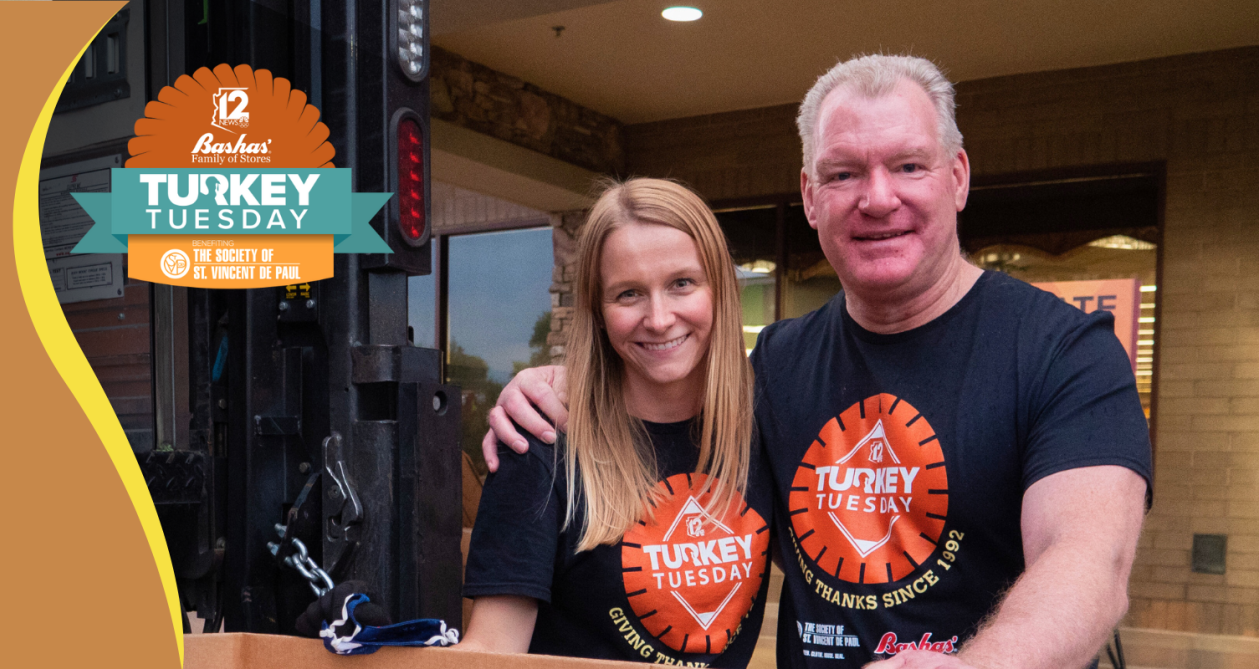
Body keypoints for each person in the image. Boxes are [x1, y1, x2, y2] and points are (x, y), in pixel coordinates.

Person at [484, 54, 1152, 669]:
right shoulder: (775, 363)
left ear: (958, 177)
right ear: (810, 195)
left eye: (909, 165)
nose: (879, 197)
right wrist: (555, 384)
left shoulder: (1064, 351)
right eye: (845, 173)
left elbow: (1089, 560)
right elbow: (663, 405)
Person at [455, 178, 774, 666]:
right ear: (598, 313)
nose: (660, 317)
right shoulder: (543, 445)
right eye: (628, 294)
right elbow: (490, 654)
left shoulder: (764, 427)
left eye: (681, 283)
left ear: (720, 292)